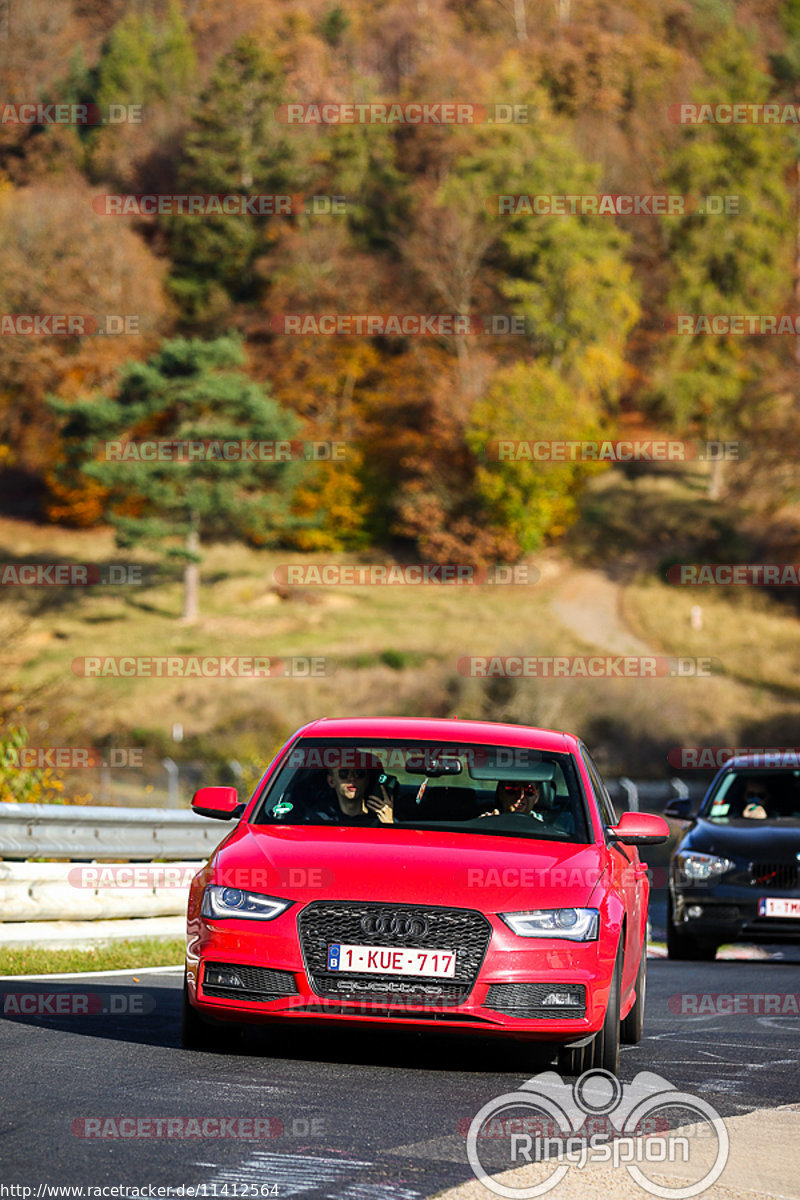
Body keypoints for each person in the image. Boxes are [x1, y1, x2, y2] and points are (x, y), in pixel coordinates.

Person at [298, 761, 395, 824]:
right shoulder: (318, 819)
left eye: (359, 773)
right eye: (344, 773)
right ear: (332, 781)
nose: (352, 778)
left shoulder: (383, 818)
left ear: (367, 780)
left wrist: (390, 825)